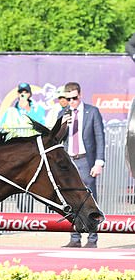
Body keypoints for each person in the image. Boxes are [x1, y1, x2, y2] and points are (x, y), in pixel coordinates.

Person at [60, 82, 105, 249]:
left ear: (80, 95)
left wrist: (99, 162)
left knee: (90, 199)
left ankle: (92, 239)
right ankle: (74, 238)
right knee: (70, 199)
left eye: (74, 98)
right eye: (68, 98)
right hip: (69, 161)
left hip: (86, 160)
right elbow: (57, 139)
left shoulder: (92, 112)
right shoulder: (63, 113)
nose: (72, 101)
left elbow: (100, 137)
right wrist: (63, 124)